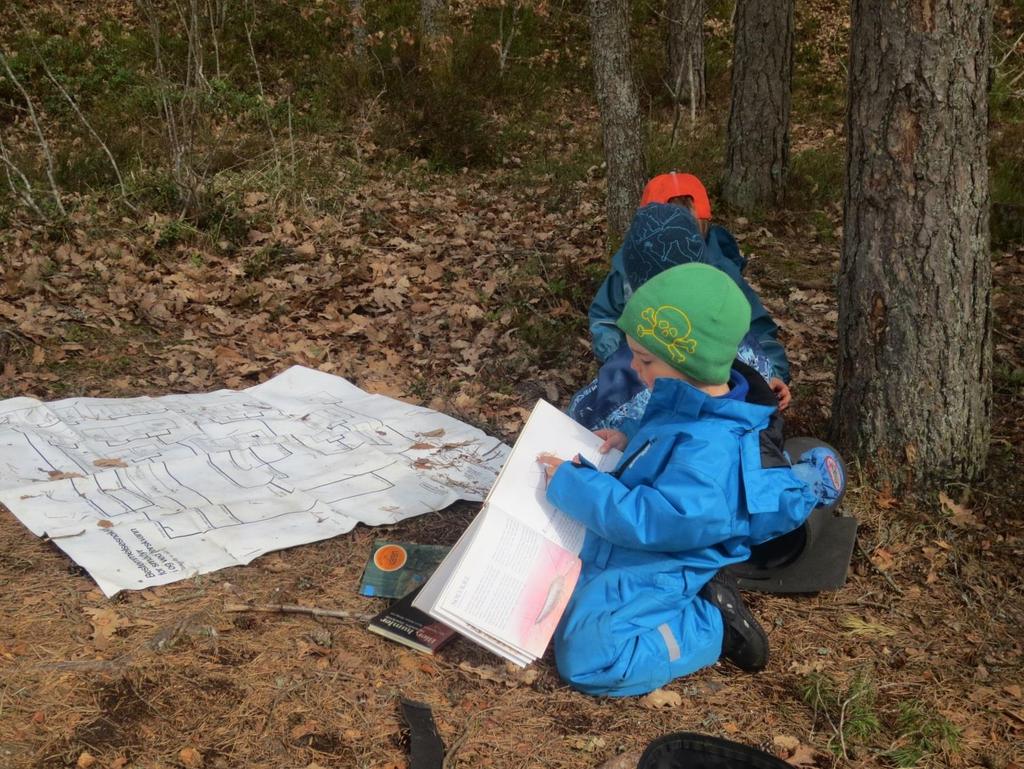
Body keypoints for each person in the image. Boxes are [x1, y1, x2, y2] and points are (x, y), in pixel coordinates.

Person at [537, 263, 841, 698]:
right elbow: (663, 444)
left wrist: (575, 486)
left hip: (667, 558)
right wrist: (628, 440)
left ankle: (710, 625)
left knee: (589, 658)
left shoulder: (713, 453)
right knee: (547, 603)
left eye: (645, 360)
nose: (637, 372)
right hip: (627, 537)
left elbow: (660, 521)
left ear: (688, 359)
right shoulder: (684, 395)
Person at [570, 200, 786, 431]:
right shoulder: (737, 342)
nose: (637, 365)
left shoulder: (626, 388)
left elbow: (579, 419)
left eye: (643, 359)